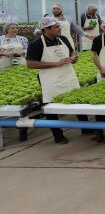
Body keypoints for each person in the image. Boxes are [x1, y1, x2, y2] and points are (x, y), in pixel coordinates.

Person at [26, 16, 86, 144]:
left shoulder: (63, 39)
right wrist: (55, 64)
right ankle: (58, 135)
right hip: (50, 80)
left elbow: (72, 52)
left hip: (68, 76)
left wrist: (74, 57)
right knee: (50, 106)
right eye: (56, 27)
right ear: (46, 29)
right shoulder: (36, 44)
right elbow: (30, 64)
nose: (60, 28)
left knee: (77, 101)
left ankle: (86, 128)